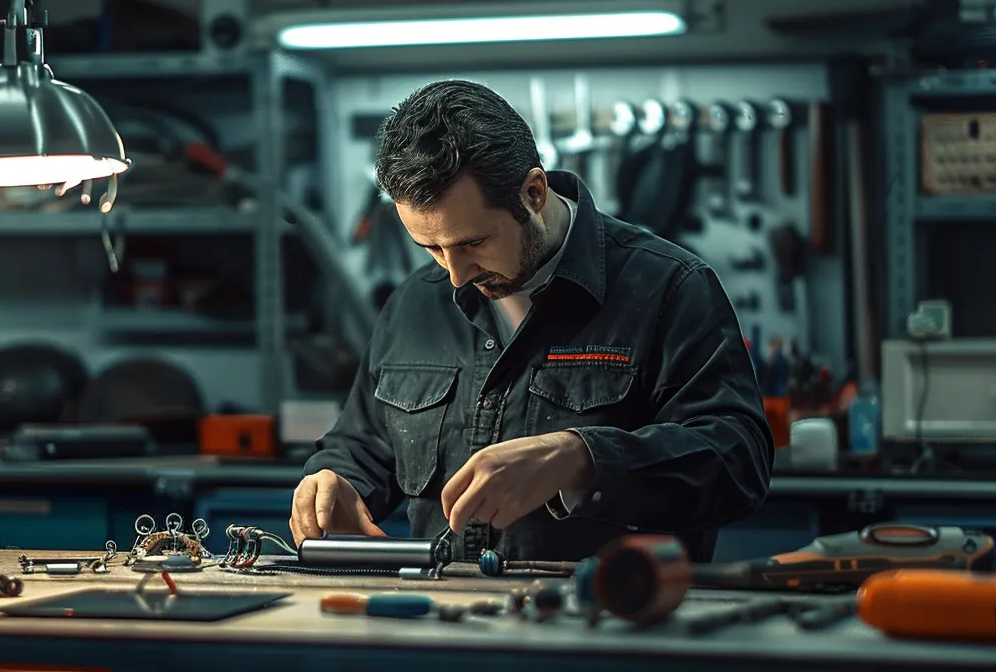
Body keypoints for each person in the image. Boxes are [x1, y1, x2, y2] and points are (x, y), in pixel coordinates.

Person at [290, 79, 772, 562]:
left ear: (534, 193)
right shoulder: (415, 303)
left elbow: (738, 461)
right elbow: (363, 440)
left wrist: (580, 458)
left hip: (615, 617)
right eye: (432, 248)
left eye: (472, 243)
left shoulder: (670, 287)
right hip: (451, 621)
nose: (454, 275)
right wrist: (336, 477)